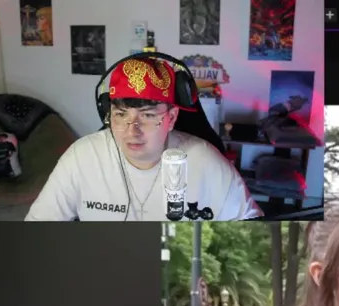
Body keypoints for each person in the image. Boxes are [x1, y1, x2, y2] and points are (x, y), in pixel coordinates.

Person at [26, 55, 261, 221]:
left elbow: (252, 235)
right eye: (121, 115)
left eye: (147, 116)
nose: (132, 130)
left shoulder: (207, 162)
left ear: (171, 117)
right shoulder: (81, 157)